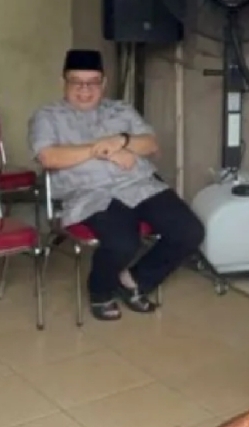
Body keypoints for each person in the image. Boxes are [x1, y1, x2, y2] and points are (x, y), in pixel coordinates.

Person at [29, 49, 205, 322]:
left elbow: (150, 144)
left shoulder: (121, 109)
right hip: (89, 193)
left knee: (190, 231)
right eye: (77, 82)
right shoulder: (47, 116)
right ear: (63, 81)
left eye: (92, 82)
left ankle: (134, 280)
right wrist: (102, 150)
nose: (85, 90)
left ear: (104, 82)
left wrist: (121, 140)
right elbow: (49, 157)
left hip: (140, 185)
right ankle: (100, 290)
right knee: (123, 243)